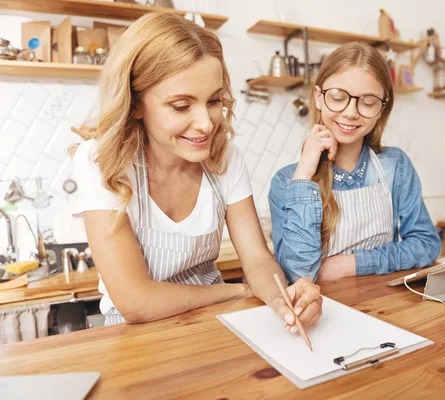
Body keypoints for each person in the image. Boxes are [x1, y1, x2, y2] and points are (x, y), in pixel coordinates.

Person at [70, 12, 322, 329]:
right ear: (135, 104)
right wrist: (236, 291)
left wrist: (280, 297)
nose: (205, 124)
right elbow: (136, 303)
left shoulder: (226, 158)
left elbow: (257, 259)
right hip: (133, 335)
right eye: (181, 106)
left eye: (214, 100)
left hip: (213, 323)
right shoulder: (100, 160)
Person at [269, 42, 441, 284]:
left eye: (368, 102)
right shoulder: (288, 182)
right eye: (338, 98)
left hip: (382, 306)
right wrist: (304, 174)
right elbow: (298, 274)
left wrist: (350, 264)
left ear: (382, 108)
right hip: (318, 311)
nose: (350, 112)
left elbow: (426, 244)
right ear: (318, 98)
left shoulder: (396, 166)